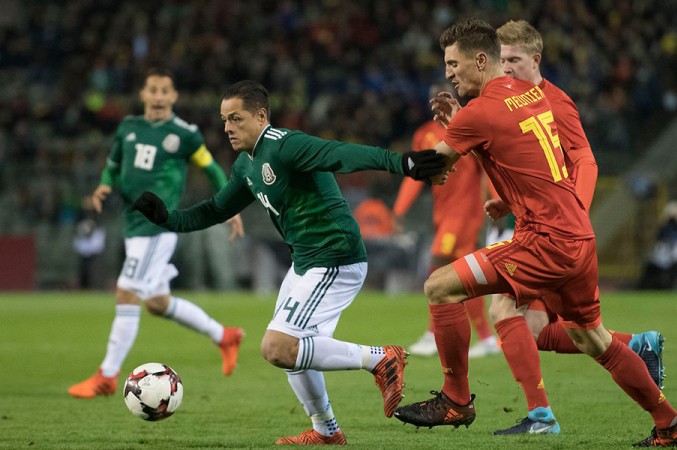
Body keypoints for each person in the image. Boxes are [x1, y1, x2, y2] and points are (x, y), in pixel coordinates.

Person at [394, 19, 677, 447]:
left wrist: (391, 160)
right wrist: (505, 191)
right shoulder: (532, 94)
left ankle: (456, 400)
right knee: (592, 338)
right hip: (578, 239)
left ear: (480, 61)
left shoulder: (480, 112)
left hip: (542, 242)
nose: (448, 74)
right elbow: (519, 155)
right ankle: (671, 422)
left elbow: (435, 165)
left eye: (453, 64)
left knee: (439, 287)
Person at [132, 80, 446, 445]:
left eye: (236, 118)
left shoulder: (285, 145)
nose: (227, 127)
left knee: (277, 346)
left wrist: (402, 162)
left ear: (261, 116)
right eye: (224, 120)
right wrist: (167, 219)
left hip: (335, 257)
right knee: (294, 350)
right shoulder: (246, 165)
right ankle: (326, 431)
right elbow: (216, 209)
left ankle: (381, 359)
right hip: (305, 263)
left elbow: (339, 153)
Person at [68, 68, 246, 399]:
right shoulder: (128, 127)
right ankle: (224, 336)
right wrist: (104, 184)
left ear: (174, 96)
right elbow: (113, 164)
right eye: (153, 90)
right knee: (157, 303)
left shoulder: (185, 134)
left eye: (165, 91)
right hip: (132, 224)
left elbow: (211, 169)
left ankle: (107, 376)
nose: (159, 96)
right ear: (144, 95)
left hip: (157, 226)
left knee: (126, 292)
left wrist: (230, 205)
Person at [394, 90, 499, 358]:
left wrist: (498, 199)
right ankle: (486, 338)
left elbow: (488, 168)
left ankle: (433, 334)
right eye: (433, 99)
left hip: (464, 214)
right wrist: (399, 209)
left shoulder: (467, 129)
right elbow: (414, 174)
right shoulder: (424, 134)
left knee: (438, 266)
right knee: (464, 276)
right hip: (442, 215)